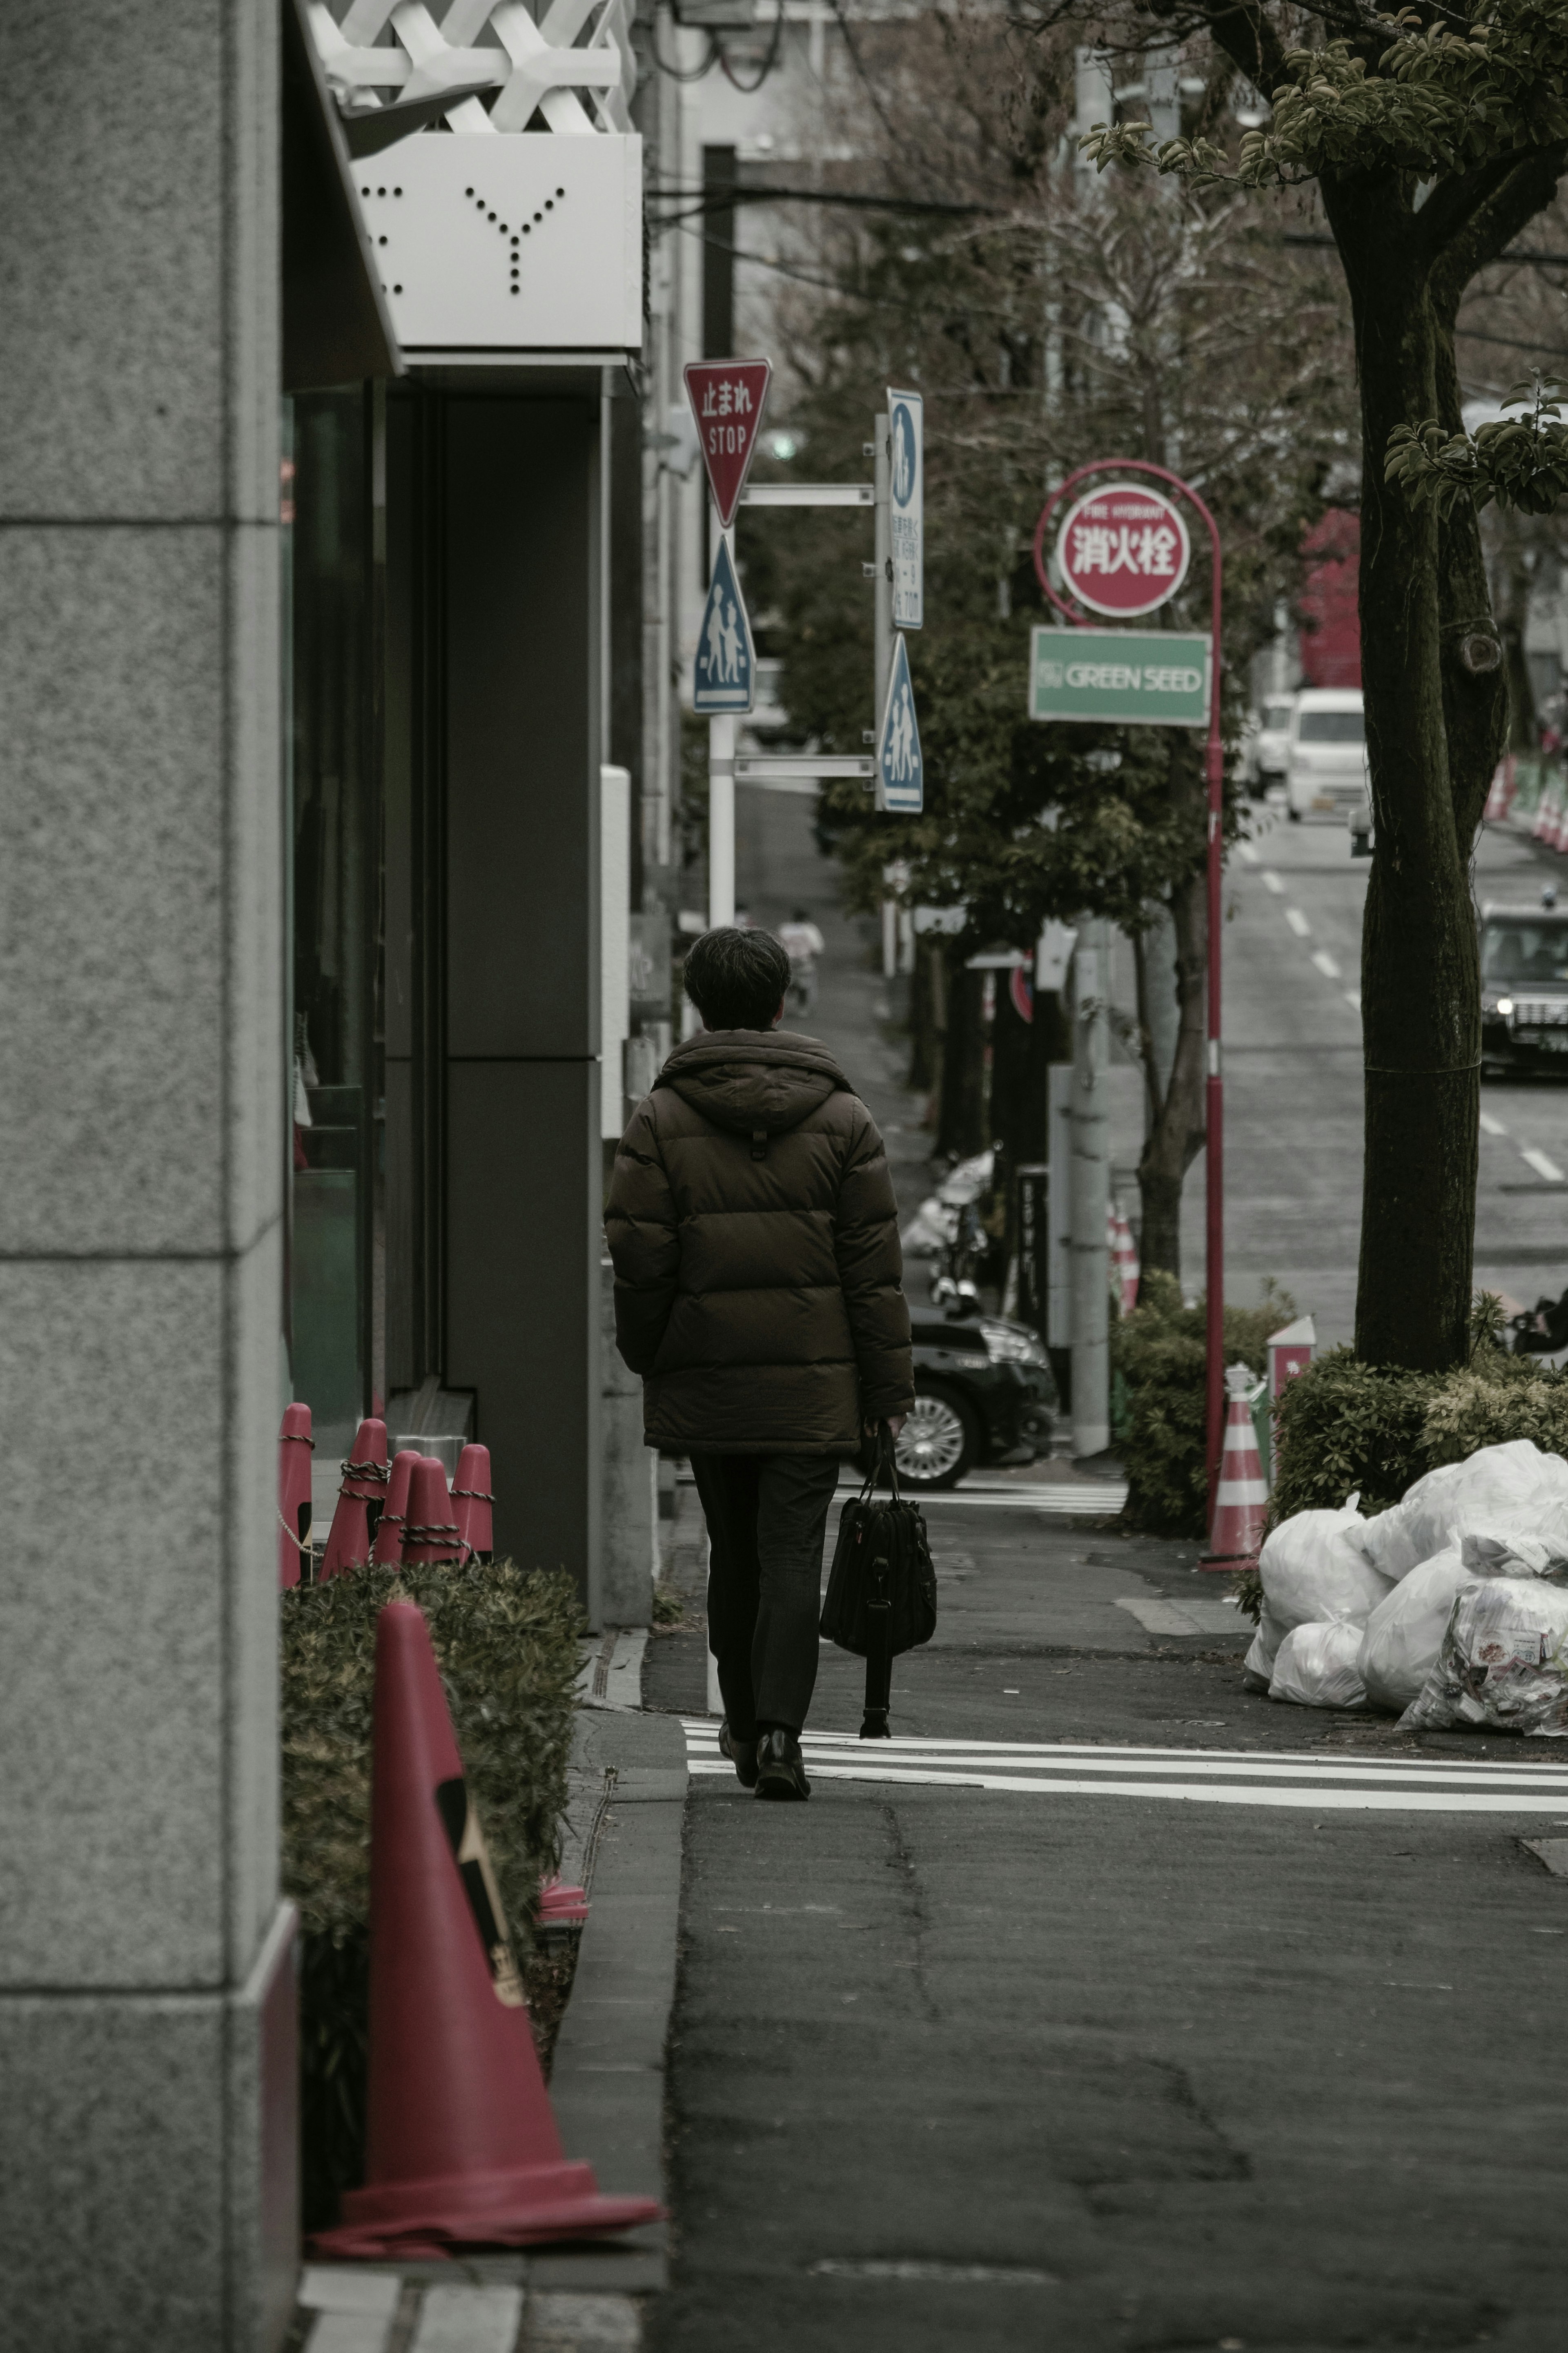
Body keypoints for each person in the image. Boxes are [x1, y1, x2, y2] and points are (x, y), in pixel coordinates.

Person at [605, 926, 913, 1801]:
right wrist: (888, 1392)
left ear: (700, 1002)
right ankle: (780, 1734)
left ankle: (741, 1723)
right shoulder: (843, 1117)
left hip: (708, 1374)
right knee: (789, 1557)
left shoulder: (662, 1117)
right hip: (815, 1385)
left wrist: (652, 1351)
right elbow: (873, 1269)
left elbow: (638, 1250)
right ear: (783, 1000)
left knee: (732, 1556)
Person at [776, 906, 825, 1016]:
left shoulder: (785, 929)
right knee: (805, 986)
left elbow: (778, 944)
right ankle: (802, 1009)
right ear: (806, 918)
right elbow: (817, 948)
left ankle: (782, 1007)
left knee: (787, 984)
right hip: (804, 961)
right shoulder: (810, 930)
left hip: (788, 961)